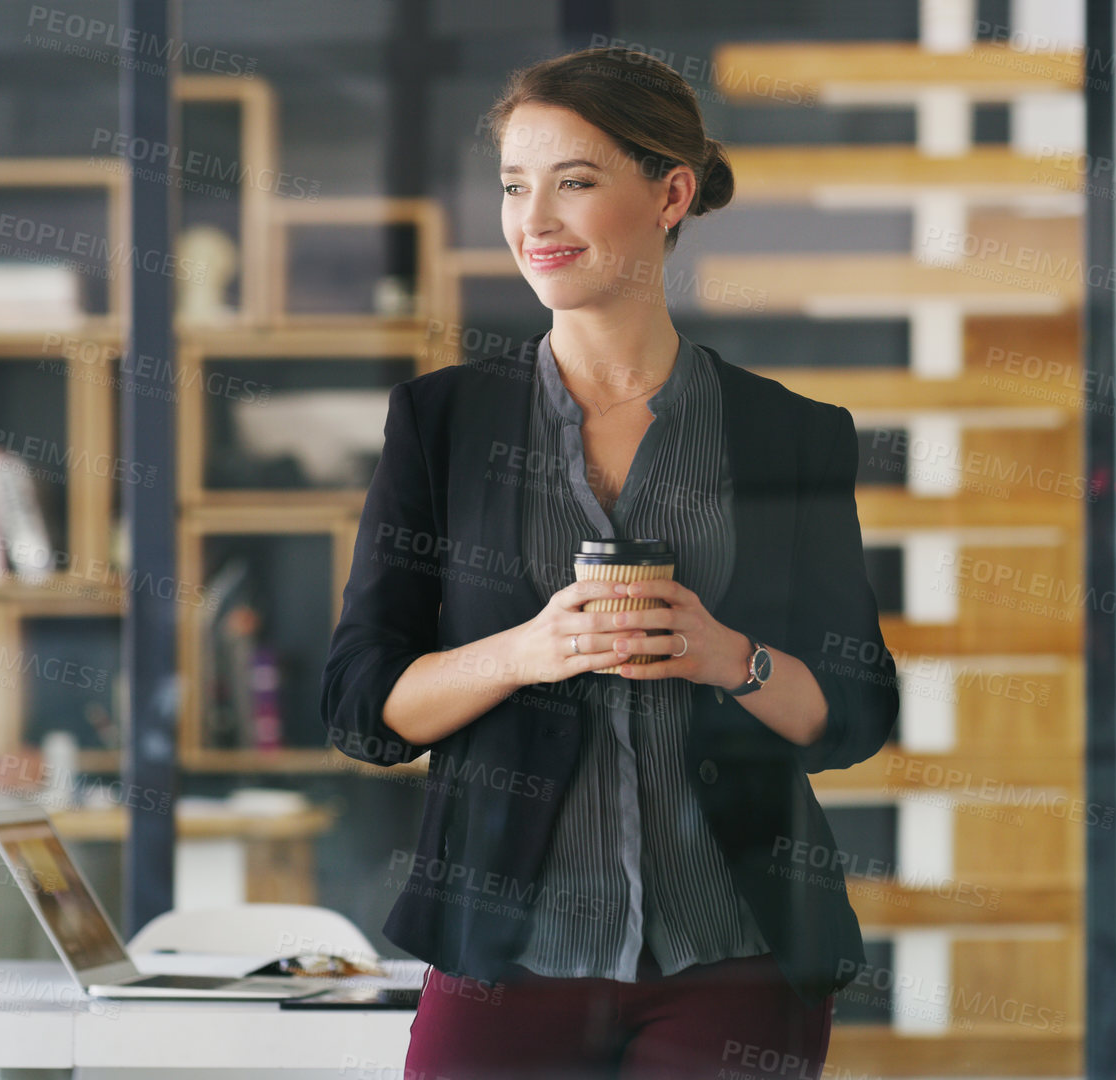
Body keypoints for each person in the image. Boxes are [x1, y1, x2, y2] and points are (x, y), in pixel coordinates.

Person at [321, 45, 899, 1080]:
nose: (532, 221)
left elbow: (850, 714)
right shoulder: (440, 424)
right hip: (506, 958)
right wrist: (525, 652)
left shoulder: (789, 434)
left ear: (669, 192)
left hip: (735, 955)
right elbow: (363, 707)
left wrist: (731, 659)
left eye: (573, 183)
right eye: (512, 186)